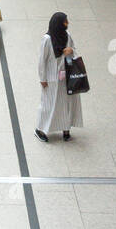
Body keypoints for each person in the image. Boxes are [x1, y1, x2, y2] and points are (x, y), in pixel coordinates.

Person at [35, 12, 83, 142]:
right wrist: (43, 79)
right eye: (65, 22)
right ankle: (40, 129)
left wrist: (71, 51)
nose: (67, 24)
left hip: (66, 77)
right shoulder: (47, 39)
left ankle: (66, 129)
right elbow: (41, 61)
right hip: (51, 79)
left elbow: (73, 51)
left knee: (66, 103)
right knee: (48, 104)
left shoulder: (67, 36)